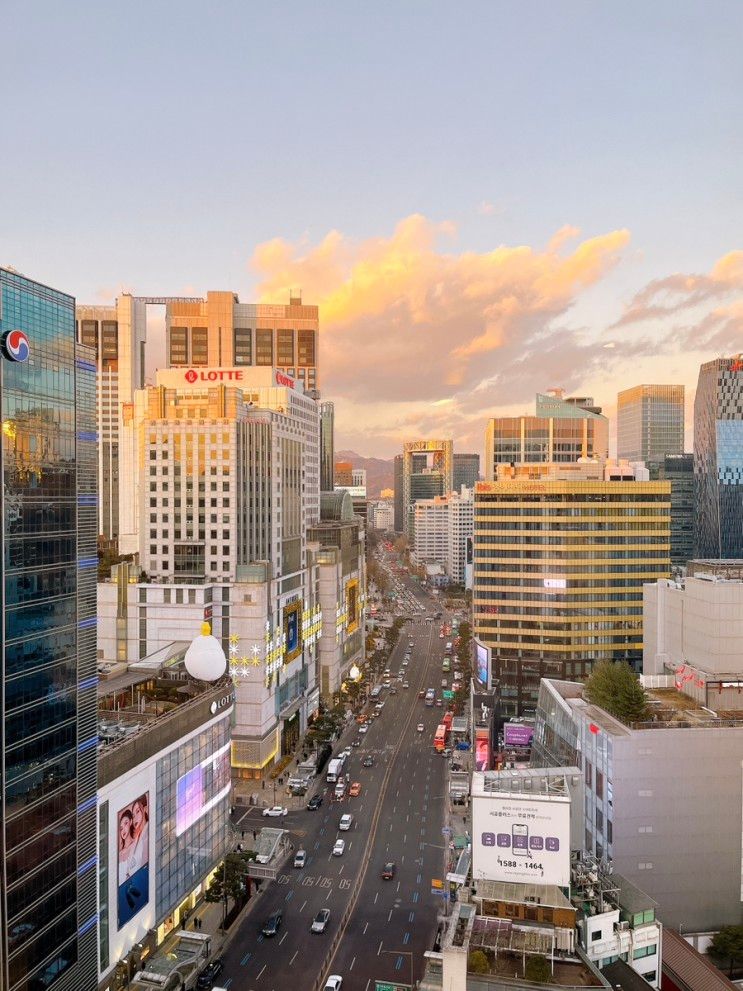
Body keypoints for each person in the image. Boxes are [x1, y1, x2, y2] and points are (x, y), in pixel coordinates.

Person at [124, 795, 149, 880]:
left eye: (137, 811)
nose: (135, 818)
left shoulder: (148, 832)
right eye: (133, 815)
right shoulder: (137, 839)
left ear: (144, 809)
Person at [117, 810, 135, 884]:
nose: (123, 830)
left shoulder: (136, 843)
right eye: (121, 828)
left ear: (131, 822)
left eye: (126, 823)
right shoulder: (119, 854)